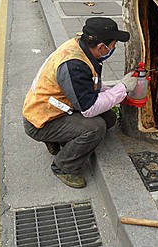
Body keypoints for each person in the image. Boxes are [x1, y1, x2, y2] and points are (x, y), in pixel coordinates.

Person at [22, 17, 137, 188]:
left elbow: (87, 85)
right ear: (101, 47)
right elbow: (89, 109)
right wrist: (122, 89)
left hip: (56, 108)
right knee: (95, 127)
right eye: (113, 45)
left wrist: (113, 90)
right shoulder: (74, 64)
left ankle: (59, 140)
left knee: (109, 118)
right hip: (41, 120)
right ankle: (64, 167)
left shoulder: (80, 48)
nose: (114, 48)